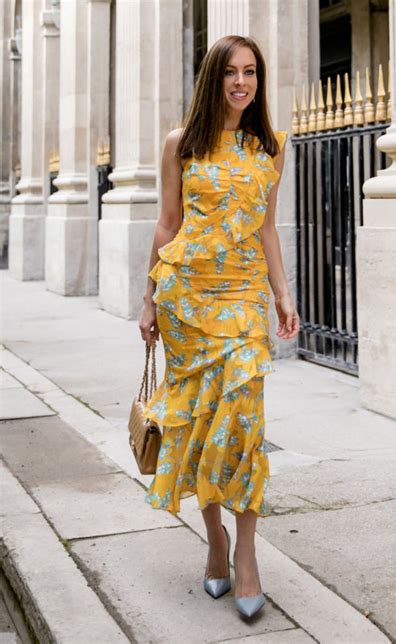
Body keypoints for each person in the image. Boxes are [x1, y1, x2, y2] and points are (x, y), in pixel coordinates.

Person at [139, 34, 299, 618]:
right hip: (188, 305)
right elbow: (167, 224)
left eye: (251, 72)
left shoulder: (272, 147)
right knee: (204, 427)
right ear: (214, 78)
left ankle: (247, 554)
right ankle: (215, 542)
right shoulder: (181, 143)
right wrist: (150, 299)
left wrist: (282, 294)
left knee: (245, 427)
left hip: (241, 303)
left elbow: (267, 229)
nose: (242, 82)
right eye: (231, 72)